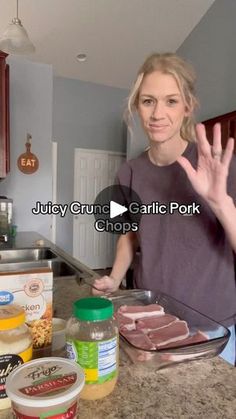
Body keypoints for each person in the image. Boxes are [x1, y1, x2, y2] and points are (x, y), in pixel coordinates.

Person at [93, 53, 236, 365]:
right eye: (148, 101)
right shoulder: (129, 173)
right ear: (137, 107)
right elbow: (128, 235)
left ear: (188, 107)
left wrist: (221, 203)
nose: (158, 113)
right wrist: (114, 279)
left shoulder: (219, 166)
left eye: (171, 101)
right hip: (150, 323)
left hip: (213, 329)